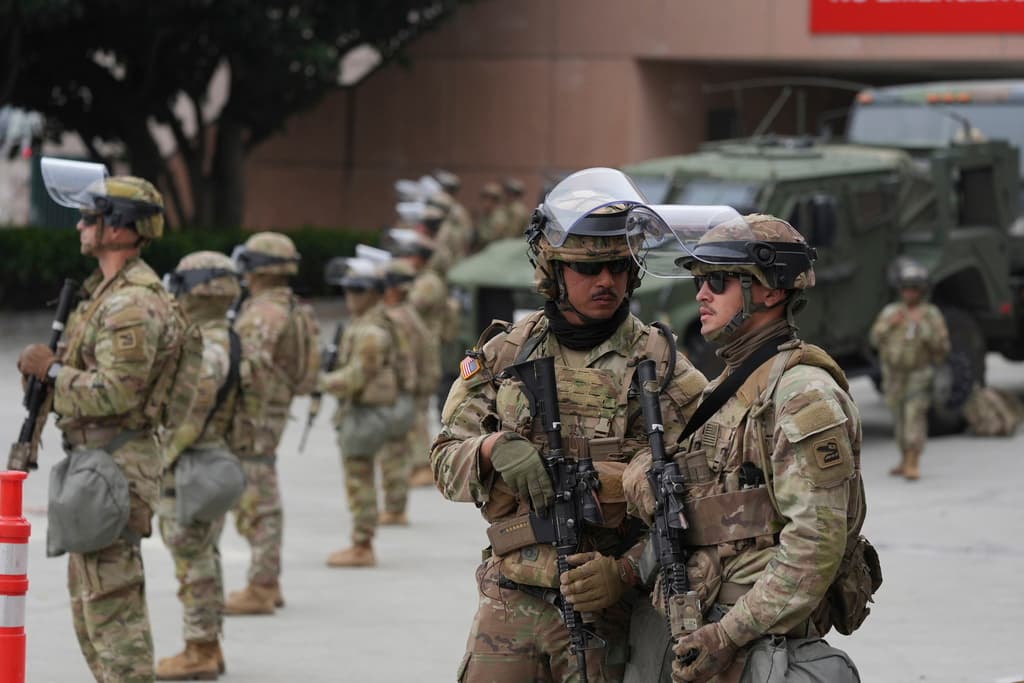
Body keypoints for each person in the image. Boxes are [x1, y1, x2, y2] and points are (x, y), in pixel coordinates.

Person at [430, 168, 707, 682]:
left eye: (620, 268)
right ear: (553, 271)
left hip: (608, 612)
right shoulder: (506, 354)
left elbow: (703, 492)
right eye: (587, 269)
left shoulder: (662, 367)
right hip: (510, 599)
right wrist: (492, 448)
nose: (607, 282)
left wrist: (623, 572)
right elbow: (445, 459)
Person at [621, 206, 866, 683]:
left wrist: (727, 635)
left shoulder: (800, 395)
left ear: (771, 289)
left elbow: (814, 544)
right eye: (699, 280)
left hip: (754, 641)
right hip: (705, 624)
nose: (702, 293)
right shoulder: (732, 385)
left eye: (721, 281)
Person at [17, 161, 176, 682]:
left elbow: (116, 391)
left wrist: (54, 370)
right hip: (96, 464)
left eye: (90, 218)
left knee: (115, 618)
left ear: (121, 228)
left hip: (117, 466)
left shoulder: (131, 303)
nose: (80, 227)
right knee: (92, 615)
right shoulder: (105, 293)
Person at [155, 251, 243, 680]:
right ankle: (206, 641)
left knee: (191, 554)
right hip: (212, 457)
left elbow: (193, 410)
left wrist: (161, 456)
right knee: (203, 551)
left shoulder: (208, 344)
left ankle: (200, 647)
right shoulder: (225, 334)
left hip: (192, 462)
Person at [224, 232, 320, 614]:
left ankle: (262, 585)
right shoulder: (292, 307)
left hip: (254, 416)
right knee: (259, 496)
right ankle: (267, 582)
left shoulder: (263, 313)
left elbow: (245, 369)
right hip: (271, 411)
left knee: (258, 503)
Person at [320, 257, 413, 567]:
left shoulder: (371, 331)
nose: (351, 297)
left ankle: (362, 544)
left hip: (366, 413)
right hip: (365, 410)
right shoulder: (367, 323)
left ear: (373, 293)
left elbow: (358, 375)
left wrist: (318, 382)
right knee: (360, 477)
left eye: (358, 291)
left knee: (359, 479)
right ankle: (362, 540)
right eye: (348, 291)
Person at [869, 258, 950, 481]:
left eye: (914, 289)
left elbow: (941, 345)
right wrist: (891, 324)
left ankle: (914, 460)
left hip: (918, 374)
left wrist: (921, 326)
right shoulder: (891, 312)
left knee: (915, 416)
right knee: (899, 418)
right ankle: (904, 458)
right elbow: (875, 338)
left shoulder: (930, 314)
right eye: (906, 288)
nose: (909, 293)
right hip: (894, 375)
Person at [388, 227, 450, 487]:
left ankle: (423, 465)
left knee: (418, 411)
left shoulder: (427, 282)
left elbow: (407, 304)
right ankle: (414, 461)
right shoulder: (418, 278)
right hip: (413, 350)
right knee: (411, 410)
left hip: (425, 353)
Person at [378, 257, 438, 518]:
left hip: (407, 387)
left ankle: (398, 502)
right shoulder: (408, 313)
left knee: (397, 445)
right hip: (417, 383)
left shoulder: (397, 317)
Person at [473, 181, 511, 247]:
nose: (486, 202)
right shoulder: (485, 214)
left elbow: (491, 238)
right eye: (484, 197)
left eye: (492, 198)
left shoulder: (500, 216)